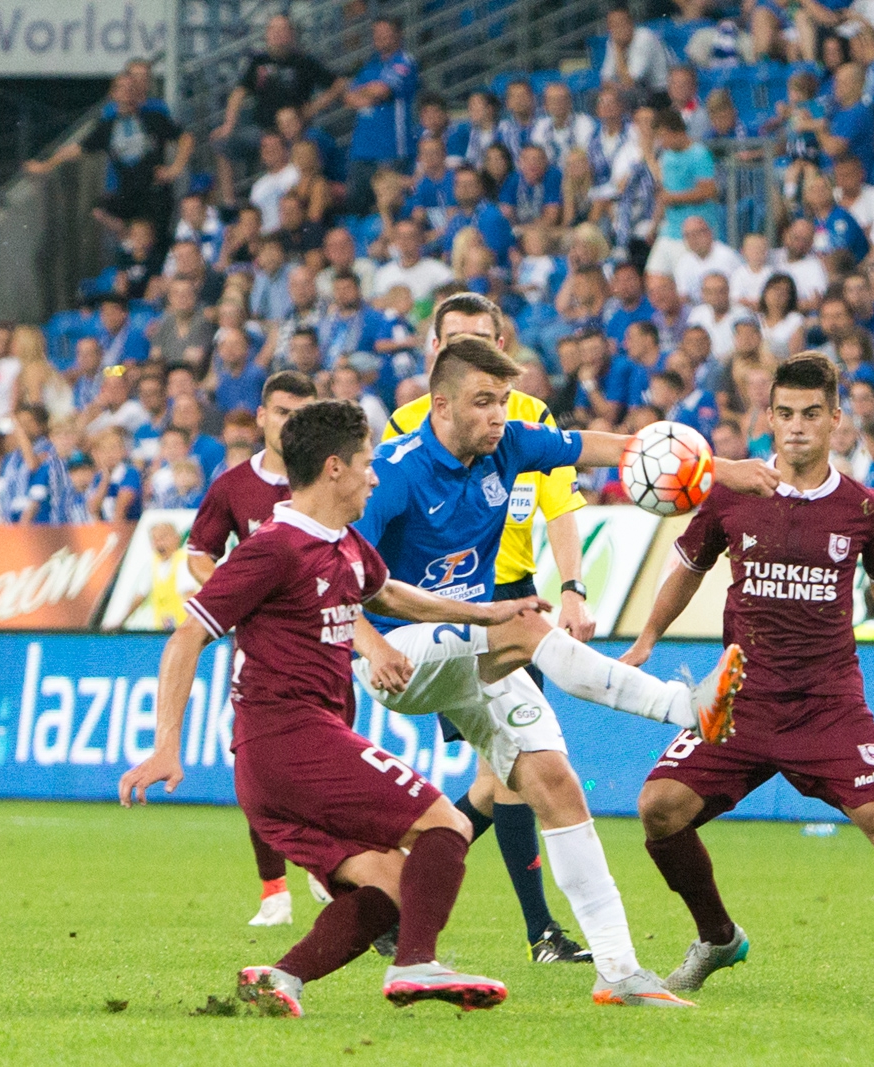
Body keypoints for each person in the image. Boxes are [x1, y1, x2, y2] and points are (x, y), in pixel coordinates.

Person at [352, 335, 778, 1006]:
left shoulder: (510, 444)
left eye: (503, 402)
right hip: (402, 656)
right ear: (440, 405)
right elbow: (336, 575)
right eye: (483, 402)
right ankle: (683, 706)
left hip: (473, 645)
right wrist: (370, 646)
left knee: (556, 782)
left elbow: (603, 447)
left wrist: (724, 468)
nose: (498, 416)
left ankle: (618, 970)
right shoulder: (396, 471)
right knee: (523, 623)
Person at [121, 400, 541, 1017]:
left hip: (281, 760)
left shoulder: (344, 543)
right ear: (335, 468)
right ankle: (415, 967)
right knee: (447, 827)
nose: (377, 476)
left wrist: (485, 612)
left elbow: (389, 594)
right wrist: (166, 744)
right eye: (369, 463)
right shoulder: (275, 548)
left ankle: (281, 978)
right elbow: (188, 635)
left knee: (398, 884)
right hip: (289, 739)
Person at [625, 353, 874, 997]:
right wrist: (647, 638)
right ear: (769, 418)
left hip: (829, 706)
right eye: (786, 414)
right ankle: (718, 938)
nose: (796, 427)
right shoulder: (730, 494)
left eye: (811, 415)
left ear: (835, 423)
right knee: (658, 808)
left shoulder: (864, 510)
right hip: (739, 703)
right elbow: (688, 567)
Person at [379, 293, 597, 964]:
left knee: (494, 776)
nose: (465, 346)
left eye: (480, 336)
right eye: (452, 339)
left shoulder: (524, 414)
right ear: (433, 356)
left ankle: (392, 882)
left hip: (517, 598)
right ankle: (542, 934)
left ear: (503, 343)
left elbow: (559, 503)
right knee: (514, 770)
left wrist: (573, 586)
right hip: (449, 610)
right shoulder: (407, 425)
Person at [181, 370, 318, 923]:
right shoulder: (234, 486)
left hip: (324, 643)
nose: (291, 424)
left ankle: (325, 866)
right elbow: (198, 551)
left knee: (325, 759)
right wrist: (227, 587)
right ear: (261, 416)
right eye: (282, 412)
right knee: (255, 768)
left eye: (302, 415)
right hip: (258, 648)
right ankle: (273, 892)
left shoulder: (326, 479)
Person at [25, 72, 189, 240]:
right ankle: (125, 234)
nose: (126, 92)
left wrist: (175, 169)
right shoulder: (108, 126)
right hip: (127, 194)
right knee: (99, 210)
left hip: (155, 193)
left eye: (131, 88)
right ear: (113, 93)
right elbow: (76, 149)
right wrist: (47, 165)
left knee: (155, 243)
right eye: (121, 88)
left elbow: (185, 138)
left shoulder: (153, 118)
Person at [210, 15, 346, 207]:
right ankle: (230, 203)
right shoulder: (259, 62)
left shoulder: (304, 61)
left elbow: (339, 84)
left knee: (309, 150)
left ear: (291, 34)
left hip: (295, 132)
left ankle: (302, 203)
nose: (277, 34)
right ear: (267, 34)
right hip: (263, 130)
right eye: (273, 30)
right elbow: (238, 93)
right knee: (221, 141)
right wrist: (228, 124)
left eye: (282, 30)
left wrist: (313, 108)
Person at [343, 18, 420, 214]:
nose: (380, 37)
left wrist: (365, 92)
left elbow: (383, 90)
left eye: (386, 32)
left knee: (390, 206)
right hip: (361, 150)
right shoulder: (370, 65)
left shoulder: (405, 61)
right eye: (377, 33)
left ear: (398, 35)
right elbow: (349, 98)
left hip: (392, 150)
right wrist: (368, 94)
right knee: (357, 208)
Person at [646, 110, 722, 278]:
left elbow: (708, 191)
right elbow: (665, 194)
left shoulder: (699, 154)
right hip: (669, 231)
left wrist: (673, 198)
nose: (661, 142)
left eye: (662, 136)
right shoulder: (667, 156)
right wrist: (654, 226)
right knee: (654, 279)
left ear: (675, 131)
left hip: (694, 232)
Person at [601, 5, 669, 104]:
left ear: (631, 24)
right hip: (637, 90)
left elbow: (629, 81)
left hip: (660, 91)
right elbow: (605, 79)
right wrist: (616, 87)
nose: (618, 29)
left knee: (623, 96)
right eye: (613, 25)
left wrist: (619, 51)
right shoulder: (612, 41)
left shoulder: (644, 37)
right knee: (596, 97)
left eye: (621, 23)